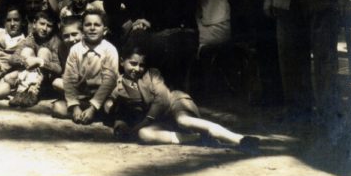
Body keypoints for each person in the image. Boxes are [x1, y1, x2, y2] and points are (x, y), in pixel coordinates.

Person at [106, 45, 259, 153]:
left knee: (183, 121)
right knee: (144, 134)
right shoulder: (118, 86)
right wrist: (119, 123)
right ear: (122, 61)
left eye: (141, 65)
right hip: (161, 120)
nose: (137, 69)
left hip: (174, 103)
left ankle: (240, 140)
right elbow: (120, 110)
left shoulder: (152, 74)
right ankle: (196, 138)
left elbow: (162, 100)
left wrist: (142, 123)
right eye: (133, 64)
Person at [53, 10, 119, 125]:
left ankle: (93, 113)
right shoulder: (75, 49)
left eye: (97, 25)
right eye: (88, 24)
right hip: (83, 96)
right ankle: (87, 114)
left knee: (109, 106)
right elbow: (69, 80)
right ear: (83, 29)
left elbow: (108, 82)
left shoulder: (110, 50)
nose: (92, 28)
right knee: (57, 108)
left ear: (104, 30)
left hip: (104, 95)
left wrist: (93, 107)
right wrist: (75, 106)